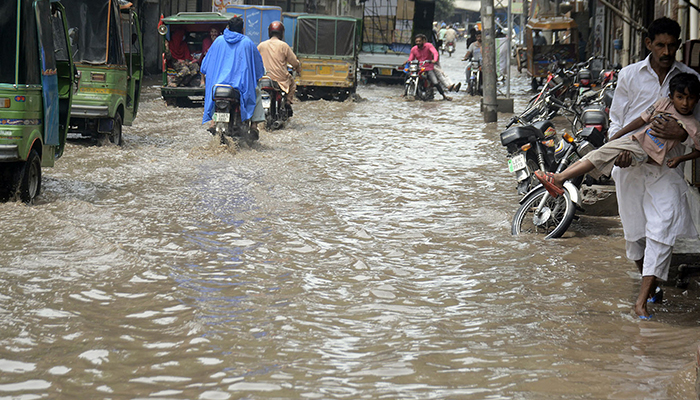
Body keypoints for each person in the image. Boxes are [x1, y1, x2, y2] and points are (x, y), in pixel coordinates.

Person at [607, 17, 700, 319]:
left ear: (679, 46)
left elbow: (696, 127)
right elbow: (617, 120)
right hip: (631, 165)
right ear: (649, 44)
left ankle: (641, 301)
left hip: (666, 169)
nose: (666, 51)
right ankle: (652, 285)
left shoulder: (689, 79)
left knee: (662, 229)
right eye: (660, 45)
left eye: (672, 45)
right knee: (635, 235)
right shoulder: (629, 75)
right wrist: (616, 149)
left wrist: (681, 134)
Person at [535, 73, 700, 198]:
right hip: (634, 142)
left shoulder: (692, 125)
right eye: (680, 97)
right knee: (594, 154)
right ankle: (560, 179)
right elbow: (640, 121)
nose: (685, 103)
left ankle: (559, 178)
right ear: (671, 97)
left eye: (690, 98)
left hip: (646, 152)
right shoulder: (663, 103)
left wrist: (679, 159)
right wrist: (616, 136)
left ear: (697, 99)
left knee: (598, 155)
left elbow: (699, 149)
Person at [201, 16, 265, 135]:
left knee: (211, 92)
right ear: (242, 29)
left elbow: (205, 66)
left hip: (217, 86)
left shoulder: (218, 41)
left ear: (228, 28)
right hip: (239, 87)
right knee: (256, 91)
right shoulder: (248, 43)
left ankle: (213, 122)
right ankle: (254, 125)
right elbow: (258, 67)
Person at [257, 21, 301, 104]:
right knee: (293, 84)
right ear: (281, 33)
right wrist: (298, 67)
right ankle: (288, 102)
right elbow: (294, 62)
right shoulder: (284, 46)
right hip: (280, 80)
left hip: (263, 78)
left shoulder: (261, 45)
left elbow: (254, 61)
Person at [406, 34, 452, 101]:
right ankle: (405, 93)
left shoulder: (429, 46)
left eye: (419, 41)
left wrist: (434, 60)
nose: (418, 43)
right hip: (419, 68)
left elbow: (435, 53)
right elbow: (411, 58)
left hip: (428, 68)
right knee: (408, 75)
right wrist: (407, 62)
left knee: (435, 82)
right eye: (417, 41)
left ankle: (444, 96)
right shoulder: (414, 49)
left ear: (423, 41)